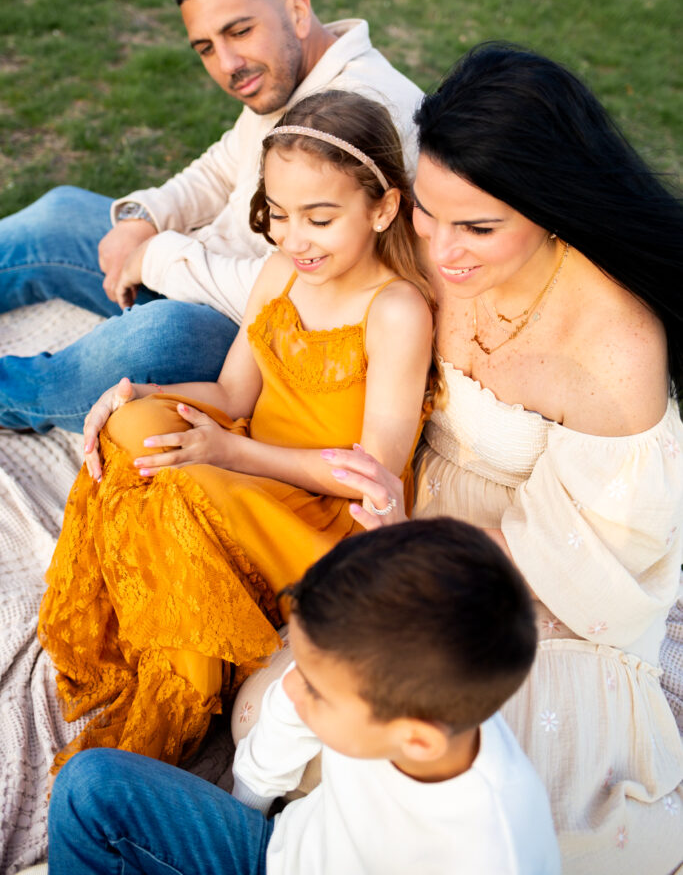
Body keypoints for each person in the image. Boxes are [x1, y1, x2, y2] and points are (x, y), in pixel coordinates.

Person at [310, 44, 683, 875]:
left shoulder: (613, 347)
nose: (442, 253)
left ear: (552, 209)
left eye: (478, 227)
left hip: (535, 582)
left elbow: (584, 553)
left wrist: (408, 546)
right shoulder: (437, 250)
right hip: (405, 503)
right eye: (427, 215)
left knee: (407, 753)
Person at [37, 89, 434, 778]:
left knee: (182, 487)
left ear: (382, 207)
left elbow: (370, 472)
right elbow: (230, 394)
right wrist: (140, 393)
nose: (292, 239)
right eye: (277, 216)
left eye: (319, 218)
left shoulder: (394, 309)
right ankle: (154, 638)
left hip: (322, 517)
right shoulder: (281, 272)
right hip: (251, 463)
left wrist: (230, 452)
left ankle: (180, 695)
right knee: (133, 429)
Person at [0, 0, 422, 433]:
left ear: (298, 12)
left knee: (156, 339)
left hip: (265, 331)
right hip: (199, 271)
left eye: (240, 31)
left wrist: (160, 257)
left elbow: (298, 283)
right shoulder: (288, 76)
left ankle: (15, 396)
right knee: (61, 212)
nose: (227, 66)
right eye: (205, 47)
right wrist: (145, 219)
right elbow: (222, 164)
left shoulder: (362, 106)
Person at [46, 518, 561, 875]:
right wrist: (242, 804)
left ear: (416, 740)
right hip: (275, 853)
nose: (291, 686)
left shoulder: (495, 849)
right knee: (90, 786)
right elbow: (287, 715)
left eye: (316, 690)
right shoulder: (376, 690)